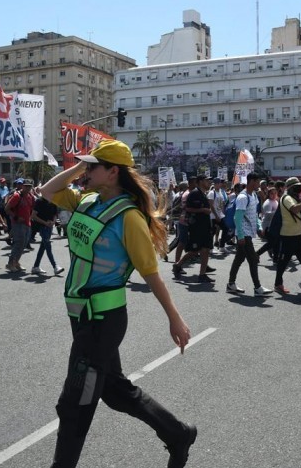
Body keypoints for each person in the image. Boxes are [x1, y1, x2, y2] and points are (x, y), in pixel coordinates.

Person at [38, 139, 196, 468]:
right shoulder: (88, 200)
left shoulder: (129, 218)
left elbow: (152, 275)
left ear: (112, 172)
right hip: (82, 315)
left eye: (94, 166)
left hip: (103, 320)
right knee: (114, 391)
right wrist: (83, 165)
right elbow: (48, 191)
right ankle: (178, 434)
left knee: (75, 404)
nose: (86, 170)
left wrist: (175, 319)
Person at [226, 172, 272, 296]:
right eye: (258, 182)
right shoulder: (242, 197)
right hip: (244, 233)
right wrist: (240, 235)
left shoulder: (254, 196)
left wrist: (258, 227)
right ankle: (257, 287)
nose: (259, 185)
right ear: (252, 181)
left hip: (248, 233)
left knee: (239, 258)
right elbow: (238, 217)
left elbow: (254, 215)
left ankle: (231, 284)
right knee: (253, 259)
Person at [172, 174, 214, 283]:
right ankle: (178, 265)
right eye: (206, 181)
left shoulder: (203, 194)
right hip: (196, 227)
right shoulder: (194, 194)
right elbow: (187, 208)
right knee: (194, 251)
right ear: (200, 182)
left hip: (205, 226)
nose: (209, 183)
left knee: (205, 249)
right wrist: (203, 210)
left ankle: (202, 274)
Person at [273, 177, 301, 294]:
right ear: (291, 188)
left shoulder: (294, 197)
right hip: (288, 235)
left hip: (297, 234)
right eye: (297, 187)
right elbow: (294, 209)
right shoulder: (287, 198)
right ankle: (278, 284)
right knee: (283, 262)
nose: (300, 189)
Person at [5, 179, 36, 273]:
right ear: (22, 186)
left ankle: (16, 262)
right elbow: (7, 209)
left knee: (24, 244)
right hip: (18, 224)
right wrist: (16, 217)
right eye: (26, 186)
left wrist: (30, 217)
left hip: (27, 223)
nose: (28, 188)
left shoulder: (31, 196)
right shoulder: (17, 196)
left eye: (29, 186)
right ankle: (10, 263)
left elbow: (32, 208)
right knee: (18, 243)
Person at [31, 194, 65, 275]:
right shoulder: (39, 201)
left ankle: (36, 267)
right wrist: (45, 223)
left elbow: (54, 215)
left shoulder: (53, 201)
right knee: (48, 245)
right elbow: (33, 216)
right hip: (42, 226)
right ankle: (55, 266)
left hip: (49, 227)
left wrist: (53, 222)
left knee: (43, 246)